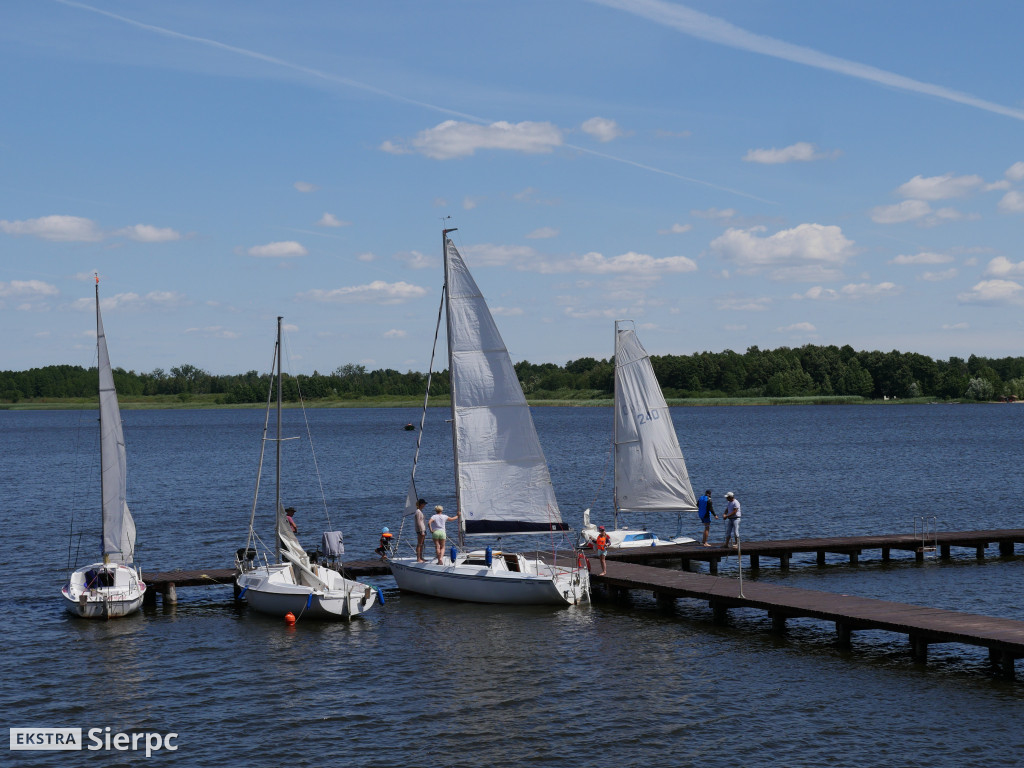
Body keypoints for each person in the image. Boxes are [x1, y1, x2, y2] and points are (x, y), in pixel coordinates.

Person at [413, 498, 428, 562]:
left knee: (422, 544)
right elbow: (419, 522)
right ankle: (418, 558)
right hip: (420, 530)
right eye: (423, 504)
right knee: (419, 544)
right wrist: (422, 531)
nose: (424, 505)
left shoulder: (420, 511)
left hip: (423, 529)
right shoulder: (418, 512)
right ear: (421, 504)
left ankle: (421, 557)